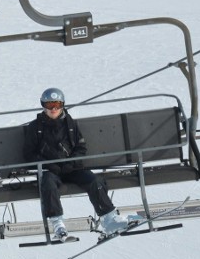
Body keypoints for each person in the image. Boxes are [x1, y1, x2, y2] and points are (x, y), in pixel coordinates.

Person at [23, 87, 131, 240]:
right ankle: (57, 223)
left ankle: (109, 219)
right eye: (49, 105)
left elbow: (81, 147)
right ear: (43, 106)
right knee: (47, 183)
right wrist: (48, 164)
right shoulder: (35, 127)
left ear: (62, 106)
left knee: (94, 180)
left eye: (57, 105)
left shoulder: (70, 124)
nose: (54, 109)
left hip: (71, 169)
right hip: (51, 171)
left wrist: (72, 162)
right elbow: (29, 154)